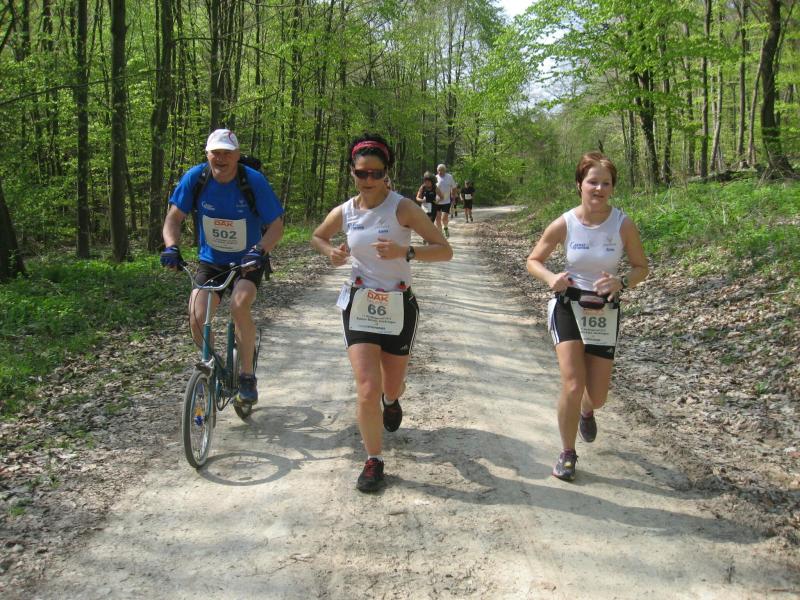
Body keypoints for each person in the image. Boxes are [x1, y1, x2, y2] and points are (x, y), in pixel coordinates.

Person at [311, 133, 452, 493]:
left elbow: (444, 249)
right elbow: (318, 236)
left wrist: (406, 253)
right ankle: (373, 459)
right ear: (352, 172)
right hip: (359, 303)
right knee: (366, 388)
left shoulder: (402, 208)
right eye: (362, 173)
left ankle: (392, 399)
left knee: (390, 385)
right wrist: (331, 252)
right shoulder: (346, 211)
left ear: (387, 173)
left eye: (376, 173)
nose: (369, 180)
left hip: (398, 304)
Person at [526, 152, 648, 481]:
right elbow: (533, 260)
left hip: (604, 310)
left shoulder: (622, 224)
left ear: (613, 188)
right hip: (568, 305)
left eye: (606, 183)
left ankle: (586, 409)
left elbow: (641, 267)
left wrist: (621, 281)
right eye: (592, 182)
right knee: (572, 382)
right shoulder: (565, 223)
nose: (599, 189)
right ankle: (567, 453)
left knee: (597, 396)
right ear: (579, 184)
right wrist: (551, 278)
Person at [160, 128, 285, 405]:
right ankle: (212, 365)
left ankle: (247, 375)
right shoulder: (196, 178)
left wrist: (259, 251)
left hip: (248, 261)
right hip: (211, 261)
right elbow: (173, 218)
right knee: (196, 315)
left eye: (227, 153)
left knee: (239, 306)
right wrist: (171, 246)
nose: (221, 158)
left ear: (237, 155)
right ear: (207, 154)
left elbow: (276, 226)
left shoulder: (252, 181)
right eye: (215, 152)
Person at [434, 163, 457, 238]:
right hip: (437, 201)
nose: (440, 172)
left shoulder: (449, 177)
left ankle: (446, 228)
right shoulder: (435, 178)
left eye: (441, 170)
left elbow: (454, 187)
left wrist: (453, 196)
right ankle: (440, 234)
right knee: (437, 218)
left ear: (445, 170)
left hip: (446, 201)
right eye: (438, 170)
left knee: (444, 218)